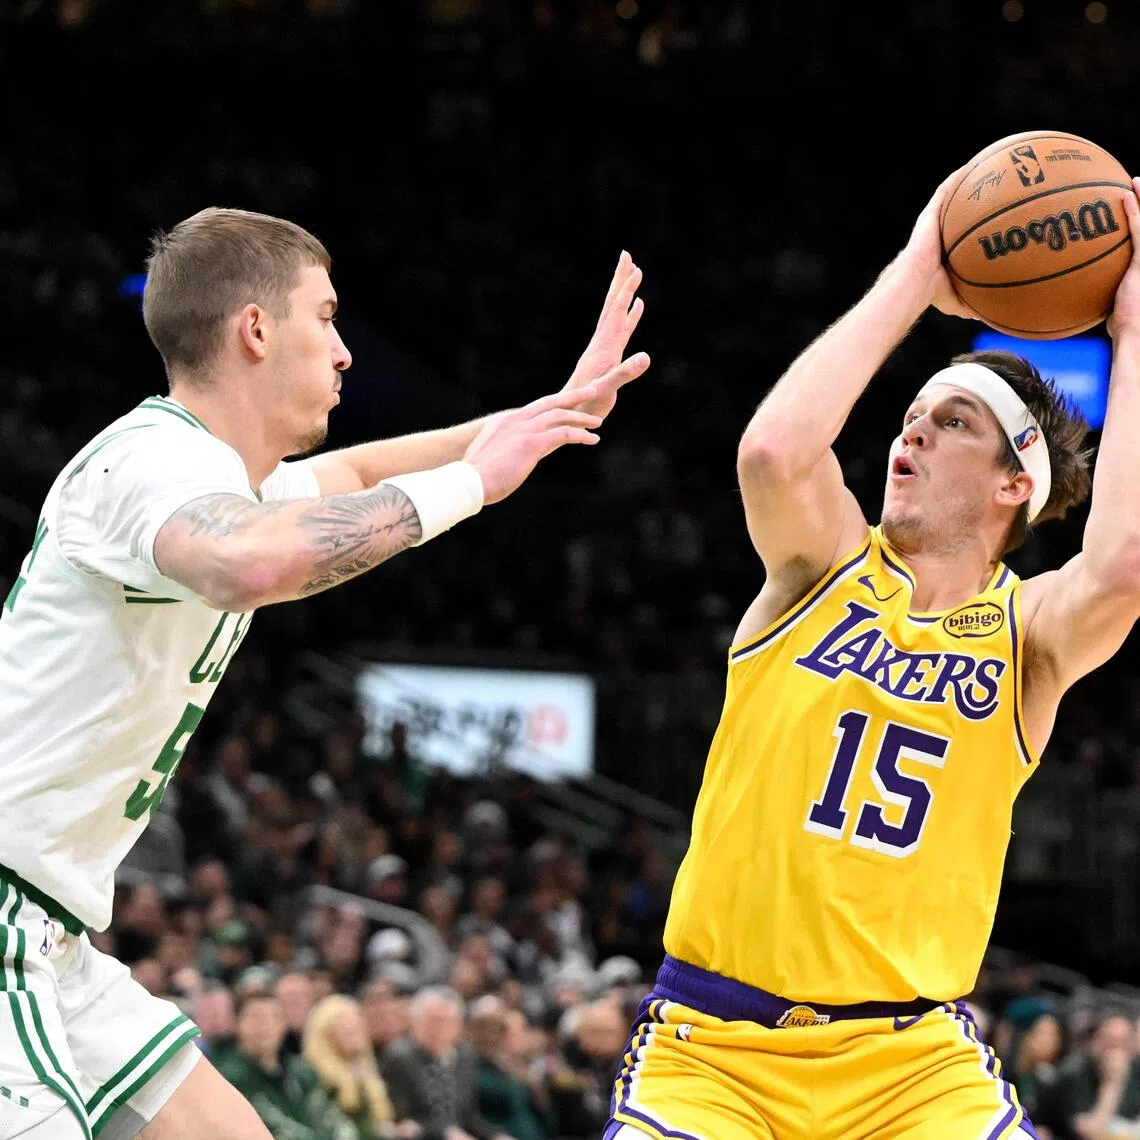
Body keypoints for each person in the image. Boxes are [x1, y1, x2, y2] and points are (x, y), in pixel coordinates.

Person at [0, 205, 649, 1139]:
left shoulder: (218, 474)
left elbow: (355, 478)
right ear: (255, 330)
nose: (345, 352)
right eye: (327, 316)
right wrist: (474, 483)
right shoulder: (151, 462)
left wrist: (539, 421)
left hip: (52, 933)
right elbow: (252, 561)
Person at [605, 167, 1140, 1140]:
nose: (915, 430)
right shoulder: (824, 566)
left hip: (912, 1068)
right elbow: (773, 455)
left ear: (1014, 483)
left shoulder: (1028, 634)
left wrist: (1135, 331)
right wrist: (918, 268)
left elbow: (1124, 567)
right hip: (714, 1051)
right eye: (912, 418)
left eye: (953, 422)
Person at [302, 993, 420, 1139]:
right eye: (344, 1025)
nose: (353, 1030)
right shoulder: (317, 1078)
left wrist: (392, 1131)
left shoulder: (365, 1072)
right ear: (326, 1034)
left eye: (356, 1023)